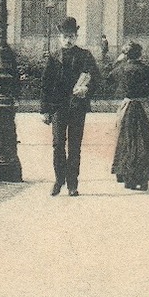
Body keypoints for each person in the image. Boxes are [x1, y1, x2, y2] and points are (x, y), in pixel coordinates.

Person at [41, 16, 100, 197]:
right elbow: (45, 84)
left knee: (75, 146)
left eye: (72, 36)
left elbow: (96, 78)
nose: (68, 40)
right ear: (60, 37)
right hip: (58, 107)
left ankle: (72, 184)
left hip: (77, 107)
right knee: (58, 144)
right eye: (65, 36)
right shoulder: (53, 57)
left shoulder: (85, 56)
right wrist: (45, 110)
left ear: (76, 36)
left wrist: (86, 89)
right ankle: (59, 180)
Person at [111, 41, 149, 191]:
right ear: (140, 54)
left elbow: (108, 79)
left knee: (127, 142)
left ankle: (128, 179)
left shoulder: (120, 69)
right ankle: (143, 180)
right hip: (145, 109)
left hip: (128, 108)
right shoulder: (148, 71)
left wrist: (117, 62)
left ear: (125, 54)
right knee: (147, 142)